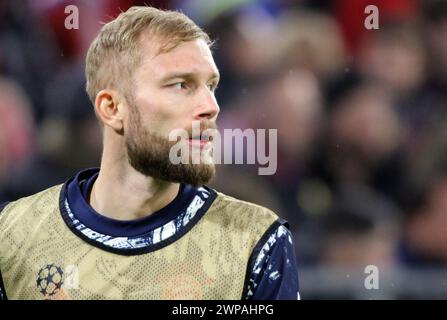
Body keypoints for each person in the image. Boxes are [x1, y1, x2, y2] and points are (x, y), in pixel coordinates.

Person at [0, 6, 299, 300]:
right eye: (182, 85)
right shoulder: (12, 233)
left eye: (211, 86)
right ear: (112, 108)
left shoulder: (256, 242)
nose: (211, 107)